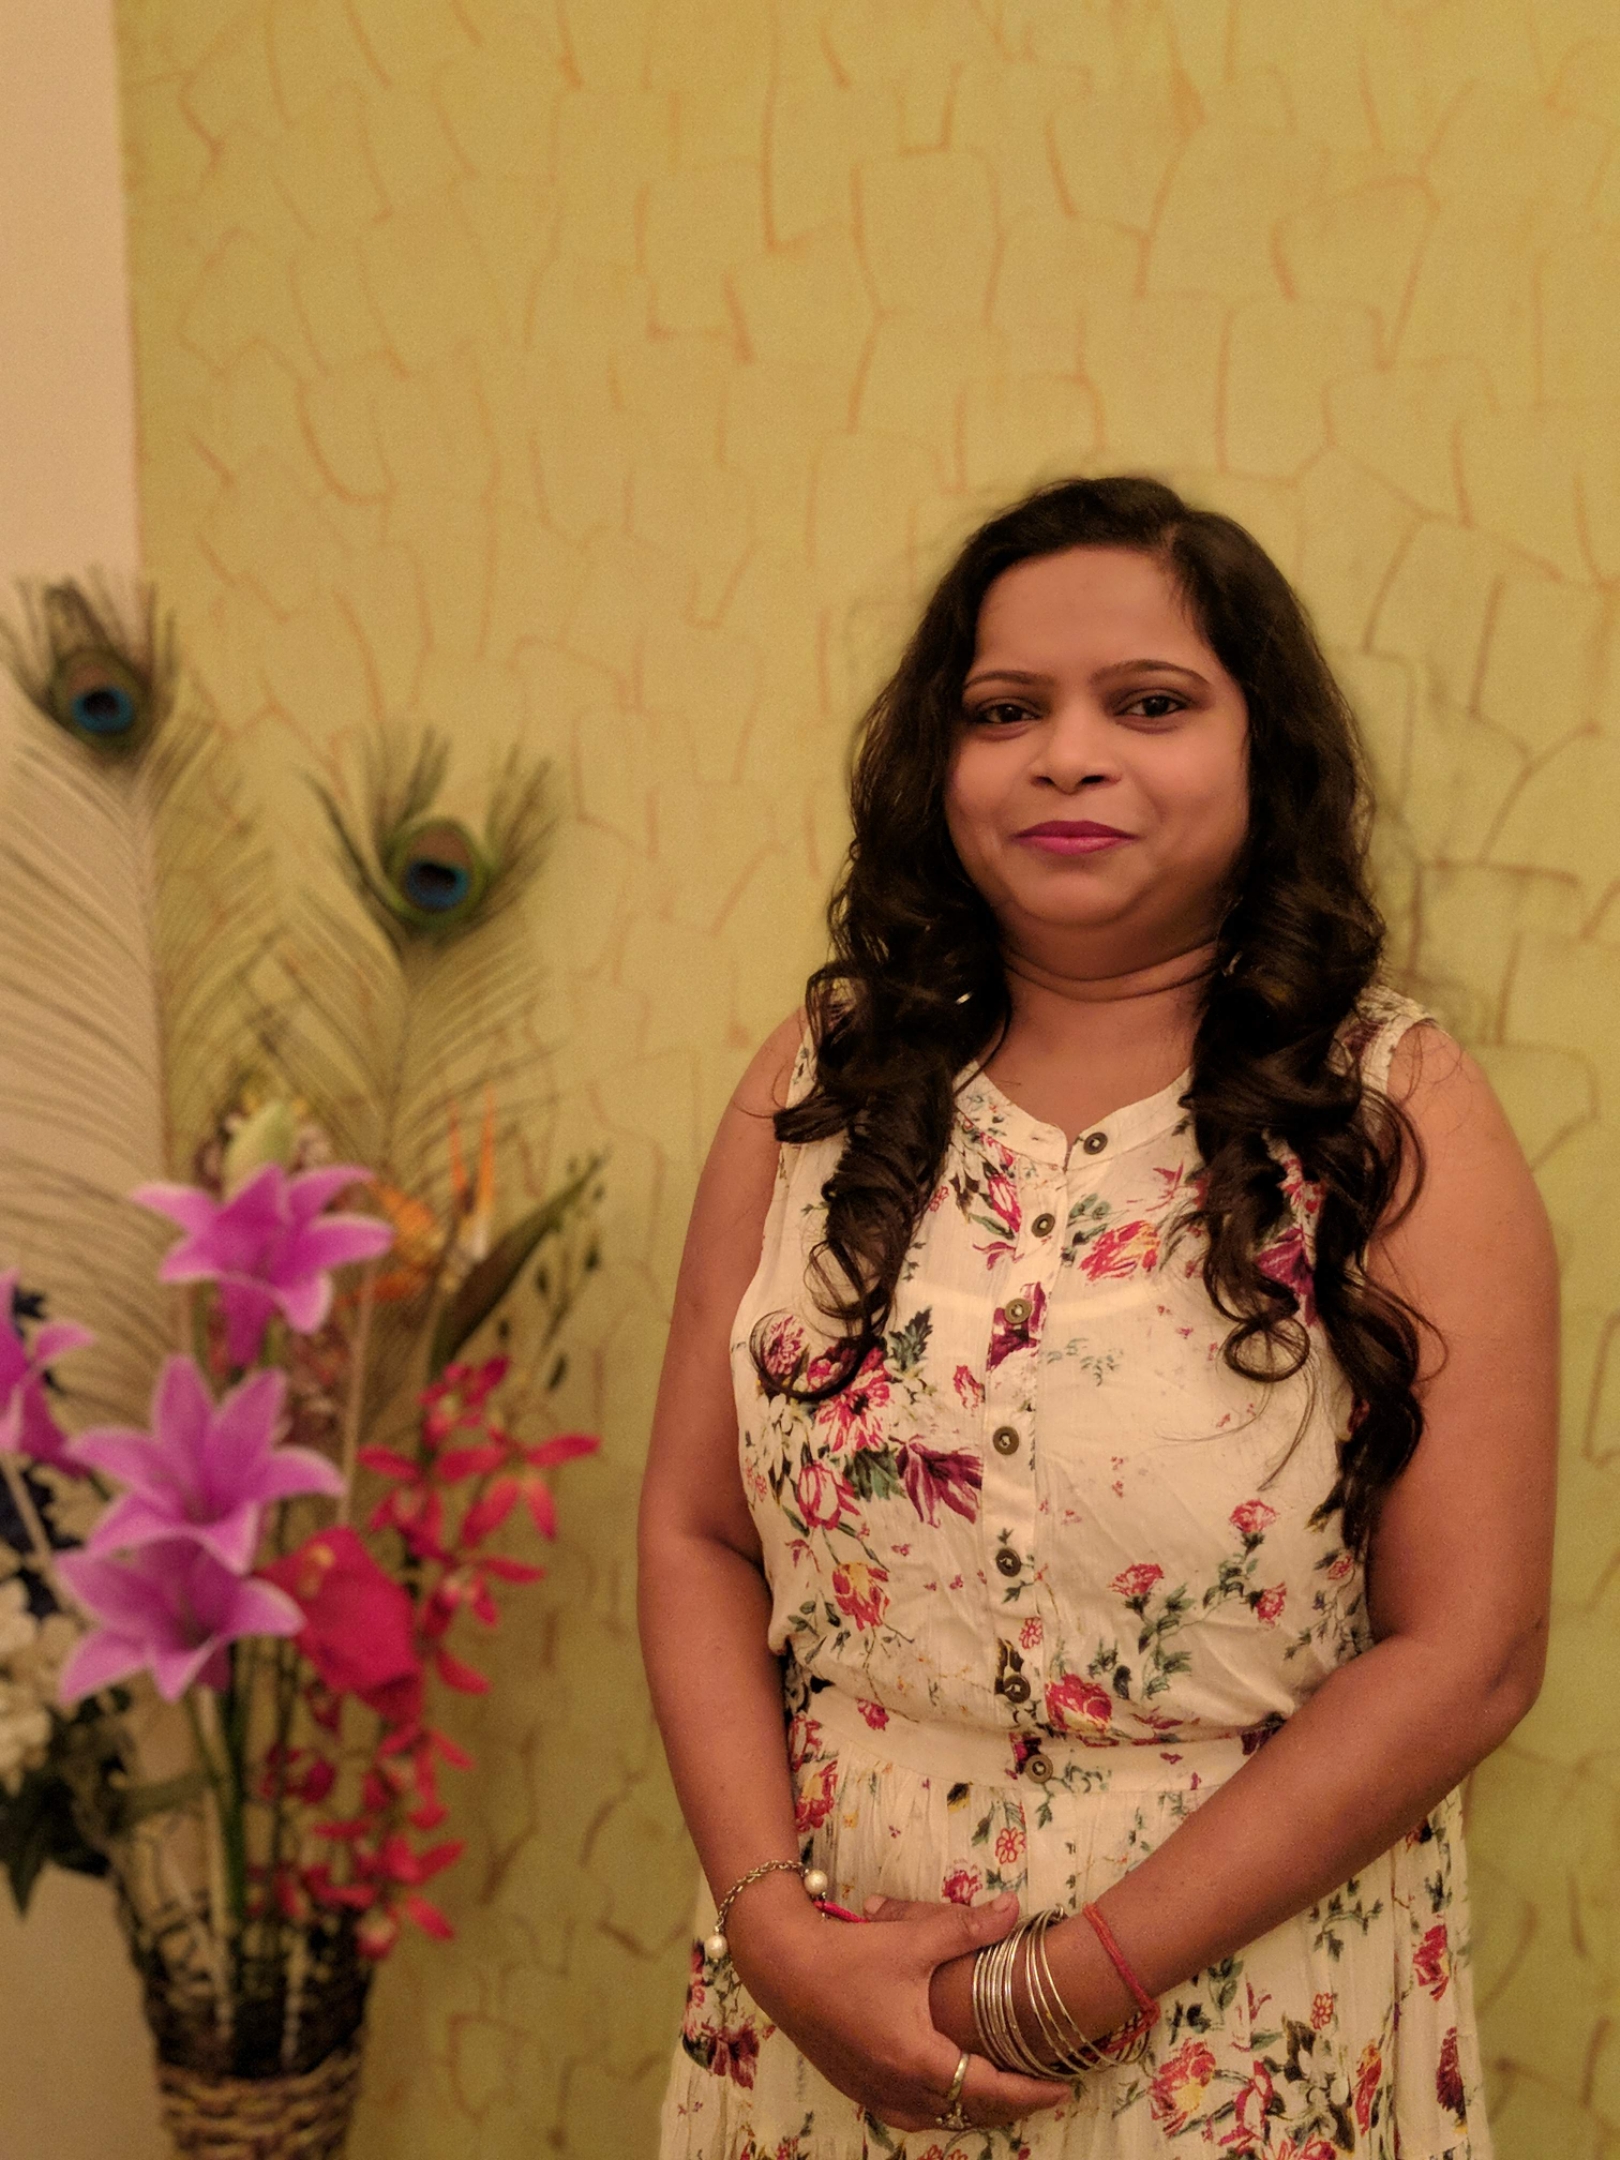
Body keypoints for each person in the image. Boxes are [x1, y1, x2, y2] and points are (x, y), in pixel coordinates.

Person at [638, 476, 1556, 2159]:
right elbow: (696, 1532)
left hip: (1236, 2014)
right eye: (1006, 711)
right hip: (825, 1989)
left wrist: (1053, 1991)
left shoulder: (1391, 1110)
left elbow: (1469, 1657)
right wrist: (776, 1937)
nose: (1067, 755)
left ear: (1264, 750)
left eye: (1149, 703)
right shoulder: (819, 1081)